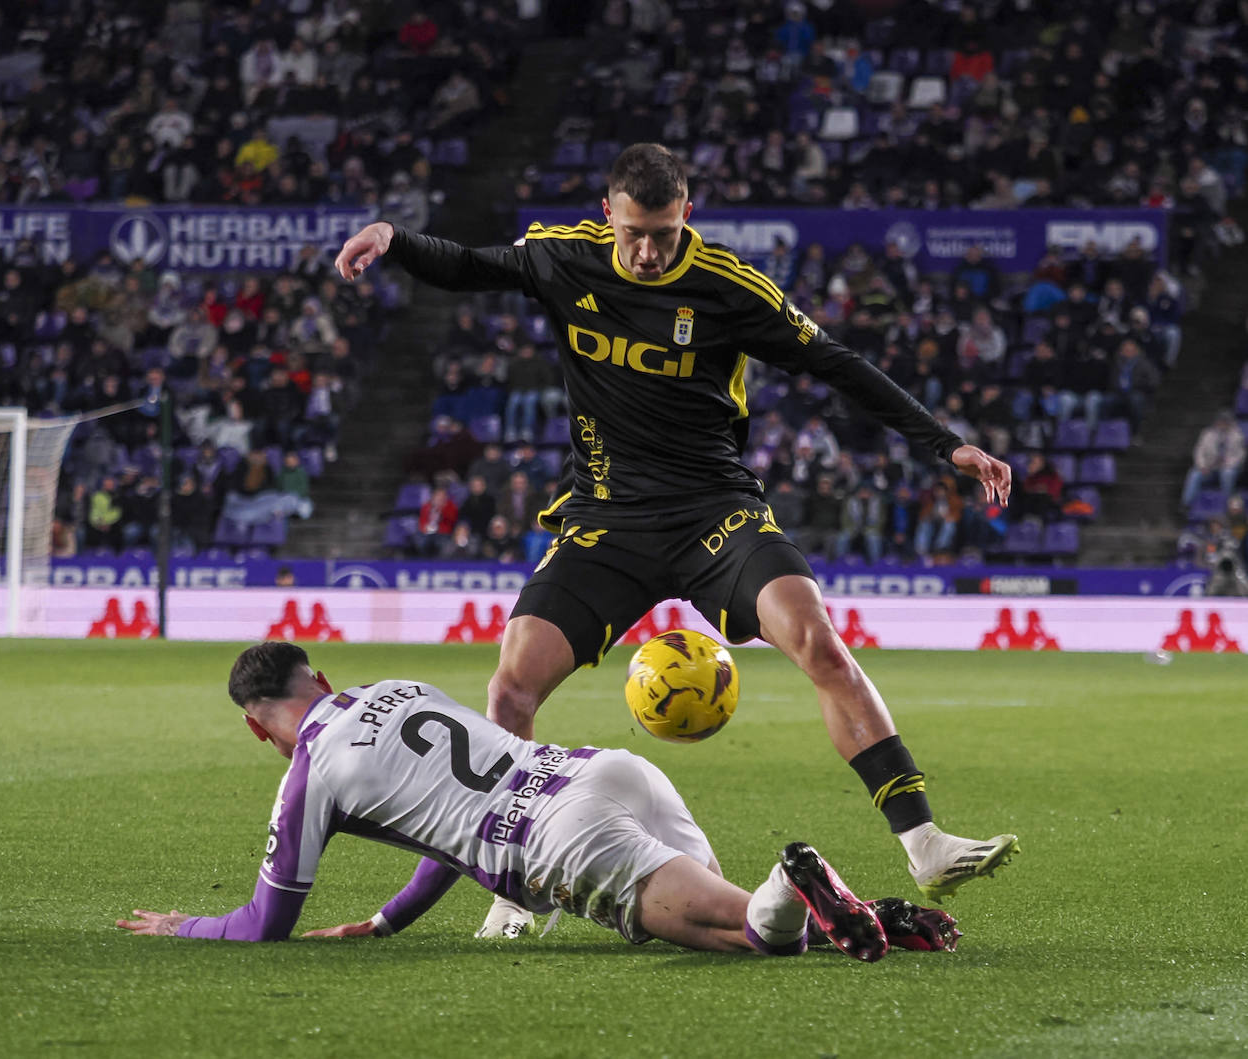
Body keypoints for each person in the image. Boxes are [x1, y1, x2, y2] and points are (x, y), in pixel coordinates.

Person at [335, 142, 1017, 938]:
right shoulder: (565, 259)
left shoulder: (728, 286)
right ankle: (517, 890)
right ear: (608, 216)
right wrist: (394, 236)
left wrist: (946, 444)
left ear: (686, 214)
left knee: (819, 642)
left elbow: (836, 363)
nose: (648, 251)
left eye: (662, 232)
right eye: (633, 234)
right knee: (510, 690)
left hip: (713, 512)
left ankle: (925, 842)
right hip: (605, 516)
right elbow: (467, 264)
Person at [116, 642, 960, 959]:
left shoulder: (309, 774)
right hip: (600, 770)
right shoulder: (399, 687)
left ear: (261, 730)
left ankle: (798, 878)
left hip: (556, 838)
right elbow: (441, 822)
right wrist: (388, 920)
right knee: (724, 917)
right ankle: (875, 915)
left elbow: (266, 922)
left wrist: (184, 924)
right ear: (325, 679)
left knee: (745, 937)